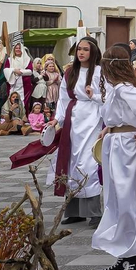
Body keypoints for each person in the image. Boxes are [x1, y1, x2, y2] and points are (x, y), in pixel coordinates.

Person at [90, 44, 136, 270]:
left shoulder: (123, 89)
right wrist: (109, 128)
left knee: (127, 201)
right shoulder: (117, 89)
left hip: (126, 148)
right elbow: (121, 115)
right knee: (116, 200)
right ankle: (124, 256)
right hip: (117, 144)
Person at [46, 37, 106, 225]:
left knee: (89, 163)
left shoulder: (100, 72)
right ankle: (74, 211)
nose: (81, 53)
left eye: (85, 49)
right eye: (79, 49)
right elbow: (63, 99)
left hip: (93, 119)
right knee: (72, 163)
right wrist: (57, 118)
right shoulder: (70, 72)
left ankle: (95, 212)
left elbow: (107, 97)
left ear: (93, 52)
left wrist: (94, 96)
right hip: (74, 121)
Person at [5, 42, 36, 109]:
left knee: (23, 103)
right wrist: (14, 70)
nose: (18, 49)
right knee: (12, 101)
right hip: (13, 84)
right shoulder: (9, 60)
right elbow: (5, 70)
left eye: (19, 48)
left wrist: (20, 72)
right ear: (14, 49)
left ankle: (23, 116)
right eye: (16, 48)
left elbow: (30, 71)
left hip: (24, 85)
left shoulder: (27, 60)